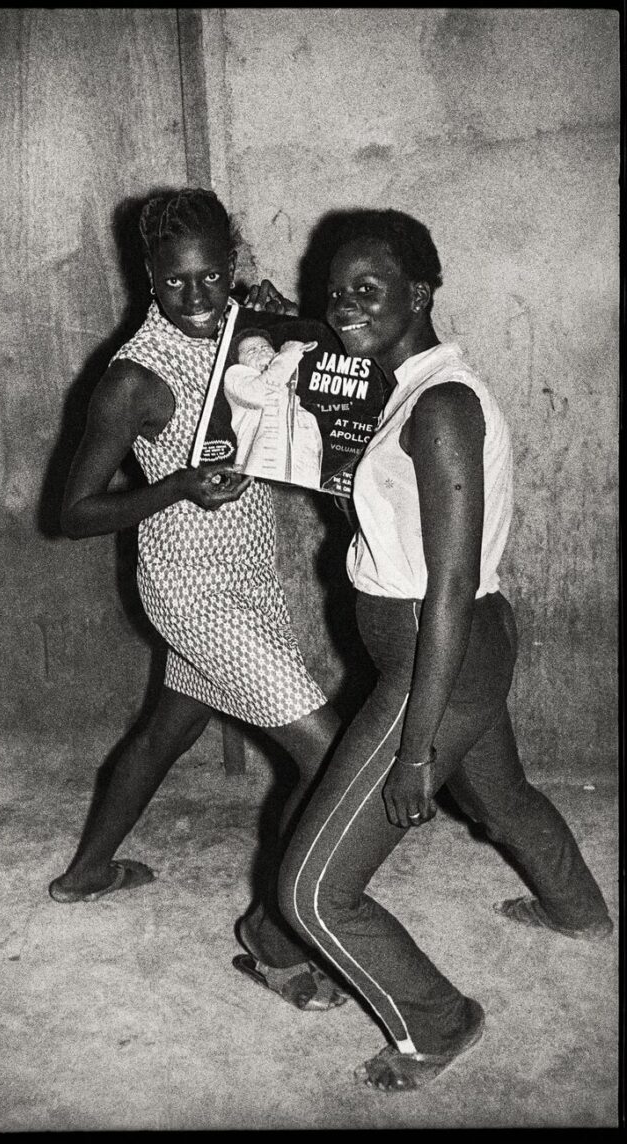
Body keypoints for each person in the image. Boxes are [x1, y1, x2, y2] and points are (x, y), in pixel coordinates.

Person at [249, 208, 613, 1091]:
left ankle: (441, 1021)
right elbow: (327, 341)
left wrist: (415, 753)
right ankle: (578, 911)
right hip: (462, 655)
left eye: (366, 291)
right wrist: (283, 319)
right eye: (333, 295)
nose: (344, 309)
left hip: (436, 662)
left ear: (420, 293)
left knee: (312, 890)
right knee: (503, 795)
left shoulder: (443, 405)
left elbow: (446, 586)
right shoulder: (399, 384)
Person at [48, 188, 346, 1011]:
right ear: (148, 275)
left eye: (213, 276)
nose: (197, 297)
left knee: (161, 735)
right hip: (189, 590)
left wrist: (286, 328)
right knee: (328, 757)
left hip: (251, 573)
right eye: (177, 283)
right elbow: (71, 514)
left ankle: (86, 874)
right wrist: (176, 484)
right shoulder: (134, 378)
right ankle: (273, 937)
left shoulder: (240, 320)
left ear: (234, 264)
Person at [223, 329, 323, 488]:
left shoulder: (297, 407)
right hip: (259, 480)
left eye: (265, 348)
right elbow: (262, 393)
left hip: (298, 485)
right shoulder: (236, 375)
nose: (260, 352)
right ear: (239, 362)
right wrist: (290, 354)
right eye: (250, 351)